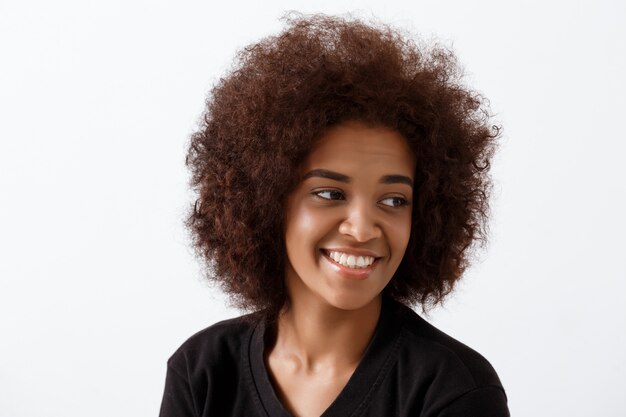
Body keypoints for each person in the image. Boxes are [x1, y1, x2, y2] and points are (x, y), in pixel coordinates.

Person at [159, 13, 509, 417]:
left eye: (394, 200)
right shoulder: (203, 371)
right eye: (329, 193)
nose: (361, 228)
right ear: (267, 200)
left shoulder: (452, 389)